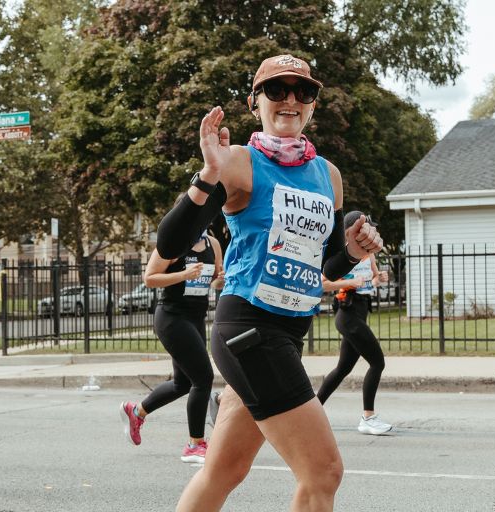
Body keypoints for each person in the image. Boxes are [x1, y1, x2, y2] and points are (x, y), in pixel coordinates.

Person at [154, 54, 383, 512]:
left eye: (303, 92)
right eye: (276, 91)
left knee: (222, 472)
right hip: (249, 330)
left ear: (313, 105)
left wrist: (356, 251)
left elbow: (328, 265)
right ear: (255, 102)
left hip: (288, 332)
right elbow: (172, 241)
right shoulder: (239, 162)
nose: (290, 101)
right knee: (323, 472)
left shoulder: (328, 175)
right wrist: (207, 176)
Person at [120, 217, 224, 463]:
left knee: (182, 383)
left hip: (196, 316)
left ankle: (136, 412)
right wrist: (183, 274)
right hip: (172, 317)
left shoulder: (213, 244)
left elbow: (214, 278)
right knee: (203, 378)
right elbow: (149, 278)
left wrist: (221, 278)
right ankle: (195, 444)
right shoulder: (173, 243)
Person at [316, 211, 392, 435]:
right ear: (350, 231)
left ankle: (312, 412)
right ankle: (368, 417)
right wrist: (348, 283)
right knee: (377, 362)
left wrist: (380, 280)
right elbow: (322, 284)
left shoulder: (369, 254)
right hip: (347, 313)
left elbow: (373, 280)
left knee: (342, 369)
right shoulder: (340, 254)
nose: (369, 233)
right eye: (365, 228)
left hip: (361, 310)